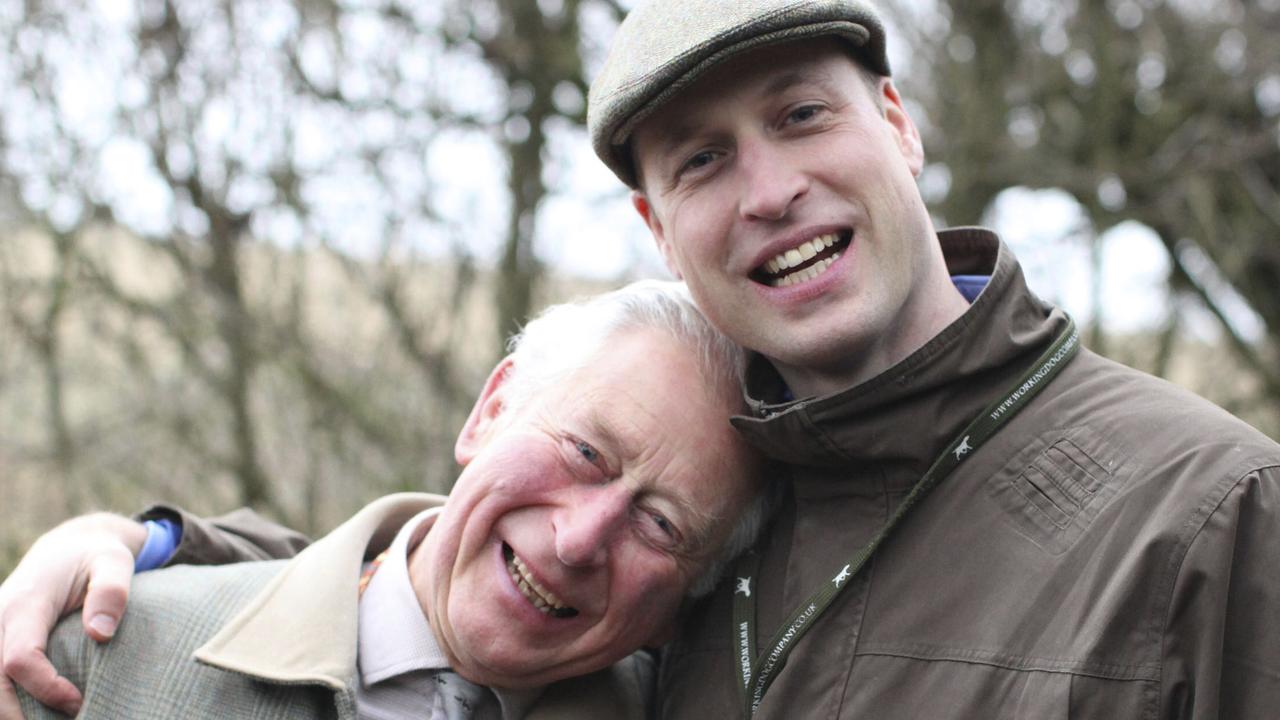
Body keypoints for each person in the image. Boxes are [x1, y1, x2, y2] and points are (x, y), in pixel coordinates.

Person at [5, 0, 1280, 717]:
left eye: (799, 114)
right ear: (657, 227)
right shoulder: (726, 499)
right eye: (701, 159)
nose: (769, 188)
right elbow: (440, 607)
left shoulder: (1210, 512)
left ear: (897, 123)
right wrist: (151, 559)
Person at [0, 281, 769, 719]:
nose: (579, 538)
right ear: (491, 410)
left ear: (681, 606)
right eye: (586, 452)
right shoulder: (98, 661)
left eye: (662, 525)